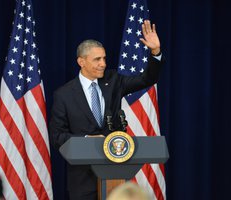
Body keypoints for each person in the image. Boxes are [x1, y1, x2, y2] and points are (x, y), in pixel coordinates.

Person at [49, 20, 164, 200]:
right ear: (81, 61)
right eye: (97, 59)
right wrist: (87, 140)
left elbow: (146, 79)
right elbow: (57, 137)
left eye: (104, 58)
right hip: (82, 180)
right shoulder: (63, 95)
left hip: (115, 176)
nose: (103, 64)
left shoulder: (114, 80)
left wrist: (155, 52)